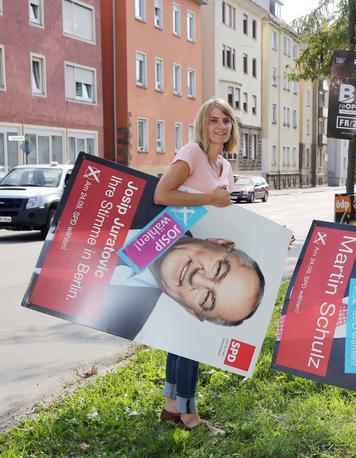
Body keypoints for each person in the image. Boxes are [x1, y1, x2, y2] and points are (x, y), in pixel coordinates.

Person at [151, 97, 239, 434]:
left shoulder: (225, 167)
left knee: (183, 336)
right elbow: (162, 194)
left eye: (226, 120)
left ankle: (172, 407)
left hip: (203, 259)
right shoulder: (191, 153)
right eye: (213, 120)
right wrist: (209, 198)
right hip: (179, 253)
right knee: (191, 336)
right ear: (202, 125)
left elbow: (224, 214)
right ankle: (189, 415)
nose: (220, 126)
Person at [99, 235, 266, 339]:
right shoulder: (162, 193)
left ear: (191, 311)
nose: (197, 278)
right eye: (218, 269)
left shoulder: (119, 327)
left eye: (207, 299)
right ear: (219, 243)